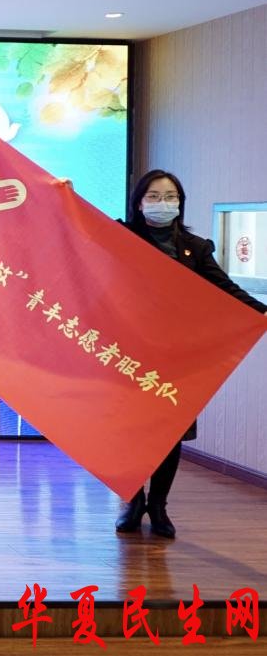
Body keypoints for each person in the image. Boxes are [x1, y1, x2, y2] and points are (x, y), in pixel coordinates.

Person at [114, 169, 266, 539]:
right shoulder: (121, 236)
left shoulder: (195, 248)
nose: (163, 204)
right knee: (131, 434)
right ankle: (133, 501)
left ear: (181, 203)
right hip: (129, 355)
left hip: (177, 358)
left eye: (171, 197)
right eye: (153, 196)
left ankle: (159, 506)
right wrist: (65, 196)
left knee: (169, 434)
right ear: (139, 202)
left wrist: (262, 312)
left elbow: (226, 288)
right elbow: (77, 234)